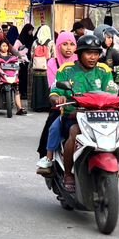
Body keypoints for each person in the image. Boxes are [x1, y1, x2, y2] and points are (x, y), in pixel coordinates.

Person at [42, 34, 118, 178]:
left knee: (116, 131)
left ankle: (117, 161)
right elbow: (54, 92)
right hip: (73, 116)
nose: (92, 57)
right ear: (80, 54)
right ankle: (67, 174)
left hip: (100, 117)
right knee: (74, 132)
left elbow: (111, 90)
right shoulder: (66, 69)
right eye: (89, 53)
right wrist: (58, 98)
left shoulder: (104, 71)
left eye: (96, 53)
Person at [34, 32, 80, 162]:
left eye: (72, 44)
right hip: (61, 107)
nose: (69, 48)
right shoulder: (52, 64)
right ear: (58, 46)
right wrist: (60, 97)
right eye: (65, 44)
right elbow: (53, 86)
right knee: (53, 129)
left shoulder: (80, 63)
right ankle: (48, 159)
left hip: (83, 106)